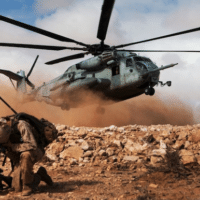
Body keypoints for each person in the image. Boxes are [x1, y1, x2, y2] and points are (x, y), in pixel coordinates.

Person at [0, 113, 56, 196]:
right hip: (18, 154)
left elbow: (32, 145)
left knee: (26, 155)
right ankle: (41, 175)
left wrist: (12, 146)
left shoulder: (21, 125)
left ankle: (28, 186)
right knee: (17, 188)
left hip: (35, 151)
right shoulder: (2, 131)